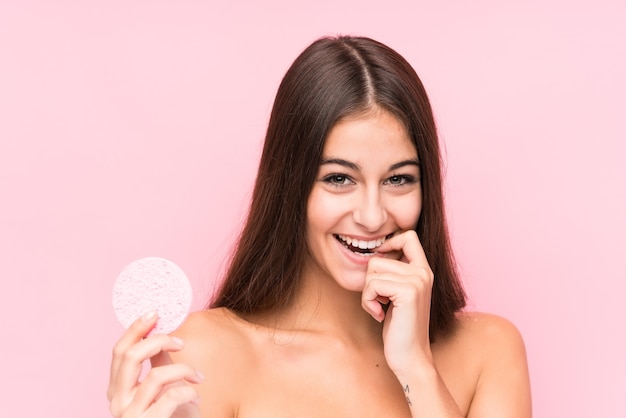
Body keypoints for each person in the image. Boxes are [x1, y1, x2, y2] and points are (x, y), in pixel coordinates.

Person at [107, 35, 531, 417]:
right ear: (292, 185)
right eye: (339, 179)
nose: (371, 216)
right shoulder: (203, 353)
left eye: (398, 179)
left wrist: (417, 367)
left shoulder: (489, 352)